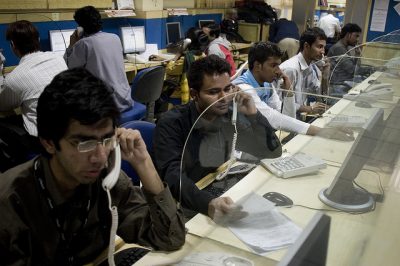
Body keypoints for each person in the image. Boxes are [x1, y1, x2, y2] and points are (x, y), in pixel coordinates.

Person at [0, 68, 185, 265]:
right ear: (49, 142)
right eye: (84, 143)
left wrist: (144, 163)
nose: (99, 157)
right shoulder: (11, 201)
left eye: (106, 139)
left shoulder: (107, 180)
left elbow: (170, 238)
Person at [154, 55, 281, 219]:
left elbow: (272, 152)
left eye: (227, 89)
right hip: (186, 201)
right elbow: (172, 178)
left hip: (214, 188)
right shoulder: (171, 123)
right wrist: (208, 203)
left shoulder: (228, 116)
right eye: (213, 92)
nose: (223, 98)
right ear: (194, 94)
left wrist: (253, 115)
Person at [233, 41, 354, 140]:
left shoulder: (265, 84)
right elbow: (273, 118)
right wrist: (322, 132)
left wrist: (289, 92)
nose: (278, 71)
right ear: (257, 66)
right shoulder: (244, 88)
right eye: (273, 65)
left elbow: (286, 117)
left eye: (278, 65)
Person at [0, 20, 67, 136]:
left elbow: (2, 105)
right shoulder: (58, 58)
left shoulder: (15, 77)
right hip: (66, 128)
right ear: (39, 39)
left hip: (42, 139)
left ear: (12, 45)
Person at [64, 5, 133, 112]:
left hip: (106, 105)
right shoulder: (115, 38)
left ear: (81, 27)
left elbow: (69, 68)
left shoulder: (83, 44)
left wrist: (71, 45)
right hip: (125, 99)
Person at [279, 27, 329, 117]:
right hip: (286, 118)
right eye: (319, 47)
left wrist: (325, 76)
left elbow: (319, 94)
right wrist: (310, 109)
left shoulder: (310, 66)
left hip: (298, 115)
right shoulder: (291, 69)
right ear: (306, 46)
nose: (323, 52)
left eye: (324, 47)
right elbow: (282, 102)